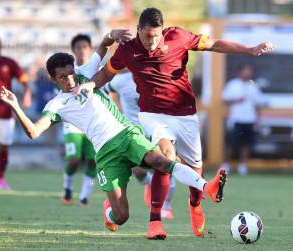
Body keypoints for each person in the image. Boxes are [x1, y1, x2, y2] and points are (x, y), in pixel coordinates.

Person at [76, 7, 273, 239]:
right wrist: (89, 85)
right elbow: (107, 74)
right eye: (148, 35)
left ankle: (195, 204)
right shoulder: (127, 49)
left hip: (186, 114)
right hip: (152, 115)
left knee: (195, 168)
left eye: (157, 35)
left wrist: (249, 50)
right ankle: (155, 221)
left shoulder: (178, 37)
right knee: (166, 158)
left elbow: (214, 44)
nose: (153, 41)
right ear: (138, 29)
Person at [0, 51, 227, 238]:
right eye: (63, 77)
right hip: (106, 153)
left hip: (126, 133)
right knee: (121, 217)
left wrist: (112, 35)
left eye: (71, 73)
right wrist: (15, 106)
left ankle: (207, 187)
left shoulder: (86, 74)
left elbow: (104, 47)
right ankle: (109, 211)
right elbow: (34, 131)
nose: (70, 80)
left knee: (160, 161)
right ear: (52, 79)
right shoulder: (56, 104)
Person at [106, 70, 176, 219]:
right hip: (133, 133)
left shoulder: (155, 74)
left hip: (156, 129)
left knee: (167, 164)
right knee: (138, 171)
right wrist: (114, 109)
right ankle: (149, 185)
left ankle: (166, 205)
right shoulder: (120, 80)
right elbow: (106, 89)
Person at [61, 34, 100, 207]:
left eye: (85, 46)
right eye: (78, 47)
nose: (82, 50)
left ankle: (85, 195)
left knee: (93, 162)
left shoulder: (97, 69)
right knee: (74, 160)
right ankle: (67, 188)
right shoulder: (69, 70)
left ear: (90, 49)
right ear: (73, 50)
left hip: (93, 124)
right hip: (73, 124)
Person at [0, 34, 32, 190]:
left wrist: (27, 93)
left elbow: (24, 80)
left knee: (4, 147)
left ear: (0, 45)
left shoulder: (9, 63)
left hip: (5, 112)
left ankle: (0, 178)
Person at [222, 64, 267, 175]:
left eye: (249, 71)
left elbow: (258, 103)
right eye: (246, 71)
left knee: (246, 143)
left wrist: (258, 120)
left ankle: (243, 165)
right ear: (240, 72)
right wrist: (236, 100)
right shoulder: (233, 84)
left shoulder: (253, 85)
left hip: (249, 119)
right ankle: (226, 164)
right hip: (236, 118)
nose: (248, 73)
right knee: (231, 143)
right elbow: (224, 99)